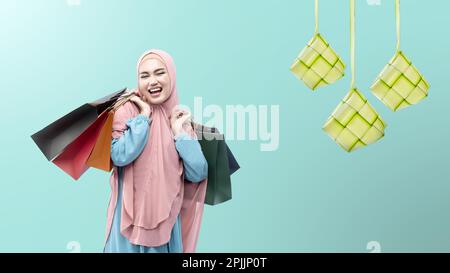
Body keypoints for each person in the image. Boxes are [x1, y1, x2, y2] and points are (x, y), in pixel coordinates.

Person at [103, 49, 208, 253]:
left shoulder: (178, 118)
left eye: (160, 73)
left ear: (172, 76)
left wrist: (179, 133)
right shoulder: (127, 111)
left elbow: (198, 172)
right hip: (126, 226)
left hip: (165, 227)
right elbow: (119, 156)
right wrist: (143, 117)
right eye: (145, 75)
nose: (152, 81)